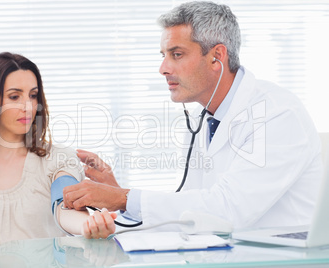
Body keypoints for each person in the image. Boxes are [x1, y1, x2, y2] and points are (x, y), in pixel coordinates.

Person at [63, 1, 322, 232]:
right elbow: (190, 215)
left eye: (177, 54)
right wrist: (116, 192)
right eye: (163, 56)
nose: (163, 69)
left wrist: (123, 197)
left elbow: (229, 210)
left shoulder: (277, 114)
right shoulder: (204, 119)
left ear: (216, 57)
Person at [0, 52, 116, 267]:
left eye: (33, 95)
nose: (28, 106)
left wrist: (89, 224)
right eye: (15, 97)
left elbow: (64, 208)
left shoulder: (59, 158)